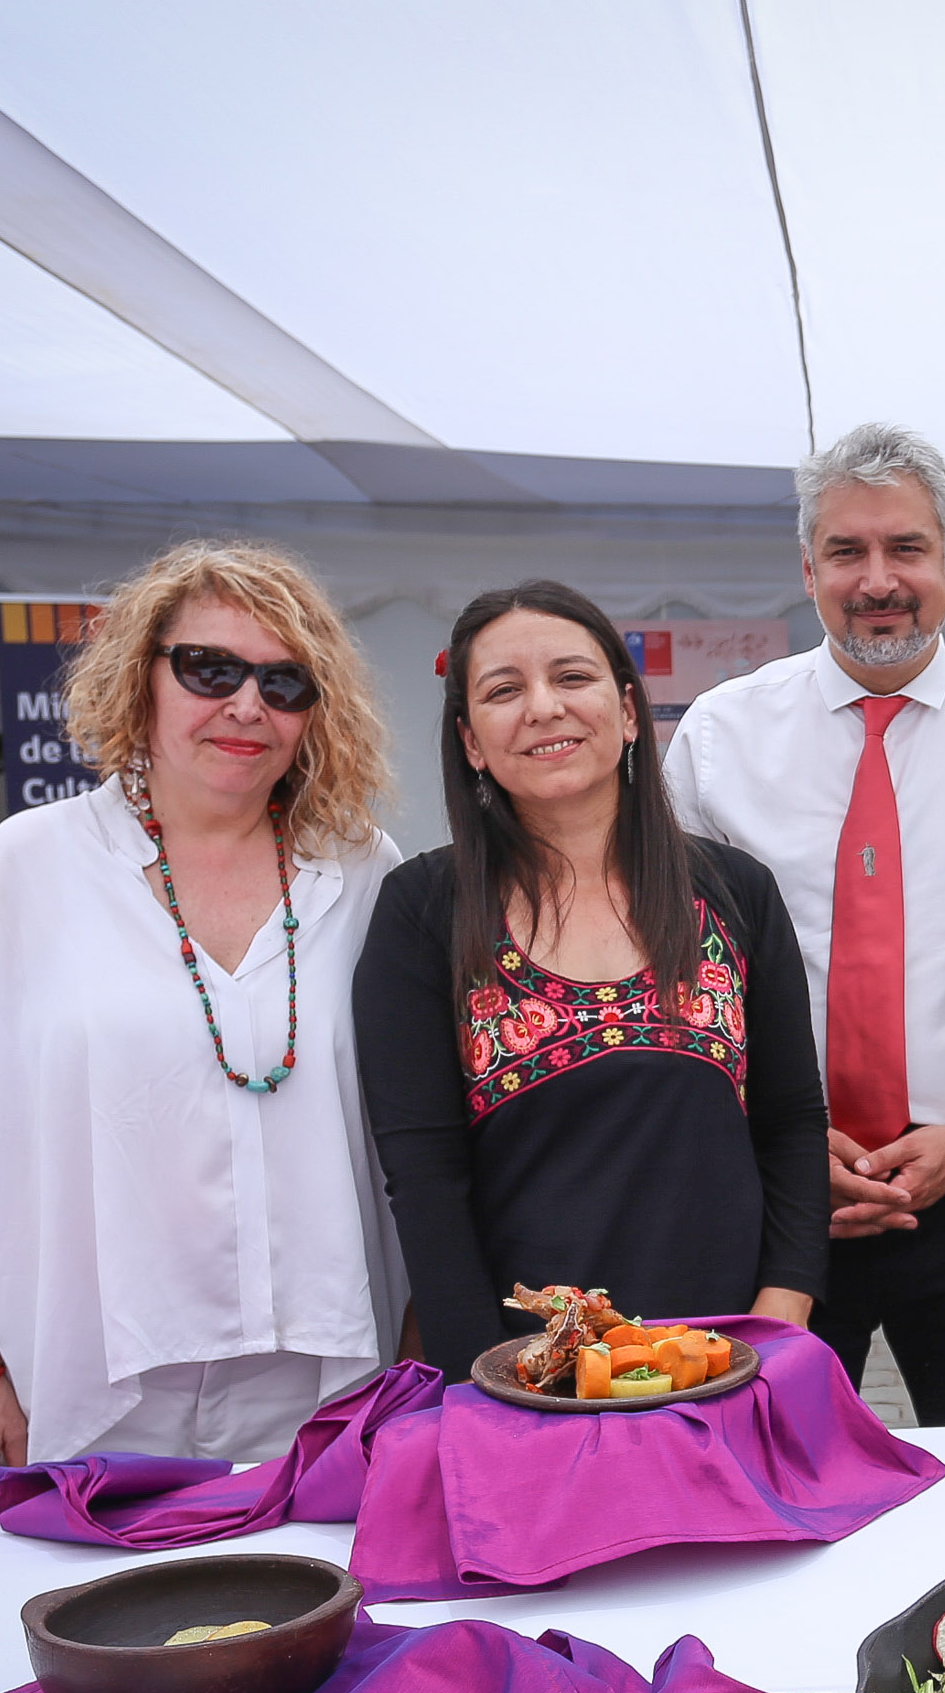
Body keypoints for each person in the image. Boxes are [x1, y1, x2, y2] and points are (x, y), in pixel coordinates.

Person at [0, 541, 404, 1466]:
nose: (247, 706)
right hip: (92, 1386)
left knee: (311, 1610)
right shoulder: (29, 865)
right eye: (211, 669)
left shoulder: (365, 869)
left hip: (323, 1394)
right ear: (144, 676)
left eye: (286, 683)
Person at [663, 423, 945, 1424]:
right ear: (807, 566)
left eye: (905, 548)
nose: (877, 579)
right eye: (846, 551)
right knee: (763, 1475)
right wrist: (771, 1141)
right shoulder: (717, 740)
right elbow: (675, 969)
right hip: (778, 1190)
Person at [352, 582, 824, 1380]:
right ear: (470, 740)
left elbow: (792, 1127)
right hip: (526, 1372)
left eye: (572, 677)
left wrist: (779, 1322)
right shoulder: (423, 910)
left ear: (631, 710)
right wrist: (496, 1382)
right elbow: (425, 1182)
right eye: (505, 690)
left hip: (727, 1358)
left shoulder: (735, 891)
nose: (544, 707)